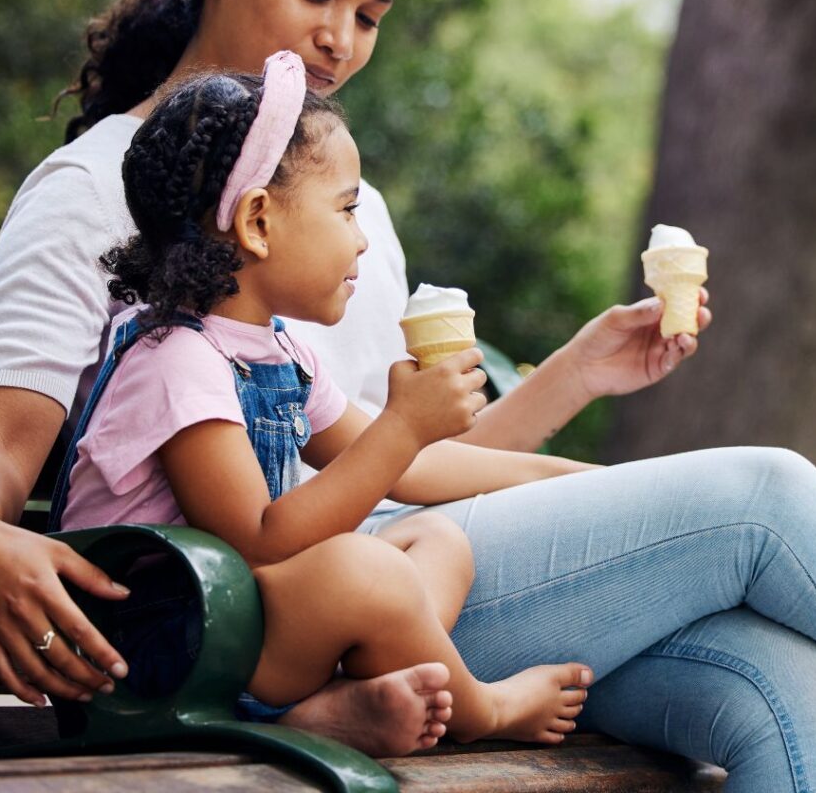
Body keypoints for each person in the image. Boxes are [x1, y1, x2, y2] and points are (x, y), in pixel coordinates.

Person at [0, 0, 816, 791]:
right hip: (305, 606)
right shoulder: (92, 194)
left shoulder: (344, 214)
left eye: (369, 15)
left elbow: (388, 460)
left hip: (410, 581)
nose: (339, 39)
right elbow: (0, 457)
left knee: (781, 680)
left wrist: (577, 388)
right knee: (766, 490)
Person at [56, 52, 593, 744]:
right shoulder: (175, 360)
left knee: (437, 539)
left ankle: (335, 705)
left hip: (234, 632)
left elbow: (413, 473)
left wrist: (576, 480)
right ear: (257, 222)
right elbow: (255, 544)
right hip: (151, 660)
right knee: (364, 568)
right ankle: (485, 710)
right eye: (346, 209)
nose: (363, 239)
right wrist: (401, 429)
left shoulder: (277, 351)